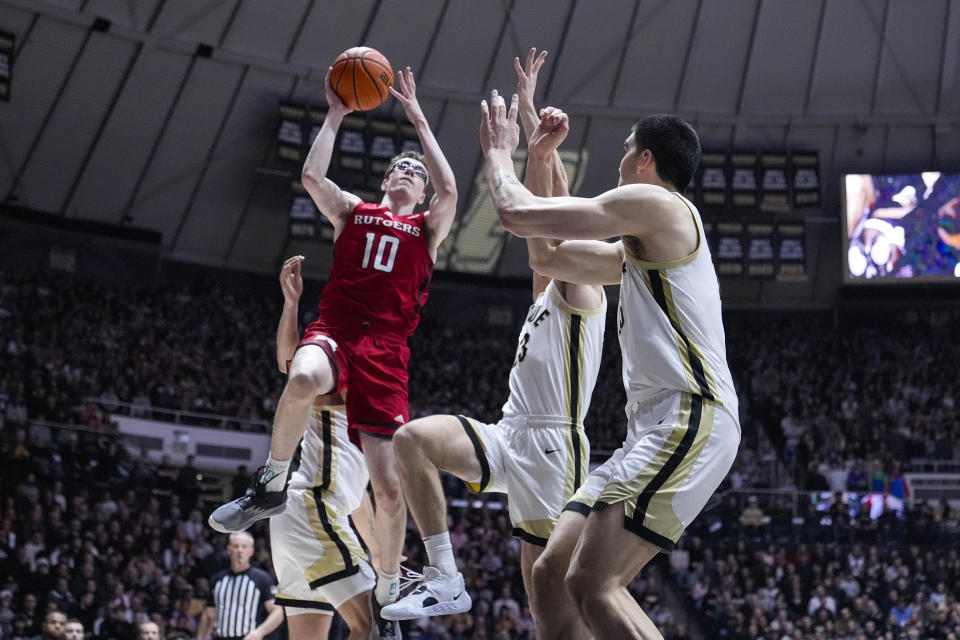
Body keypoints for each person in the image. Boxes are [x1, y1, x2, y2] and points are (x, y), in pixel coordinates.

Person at [479, 91, 740, 639]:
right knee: (552, 572)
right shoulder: (641, 249)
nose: (620, 161)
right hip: (652, 428)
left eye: (626, 149)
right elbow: (547, 256)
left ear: (645, 159)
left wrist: (499, 155)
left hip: (691, 414)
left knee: (595, 582)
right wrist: (543, 156)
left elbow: (515, 214)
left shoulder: (662, 206)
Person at [210, 64, 457, 622]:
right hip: (338, 331)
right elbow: (313, 178)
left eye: (415, 172)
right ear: (384, 182)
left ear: (420, 192)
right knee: (299, 376)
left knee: (390, 494)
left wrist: (418, 118)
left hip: (387, 354)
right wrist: (336, 113)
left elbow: (450, 188)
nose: (409, 172)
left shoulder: (427, 229)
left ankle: (390, 586)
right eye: (401, 167)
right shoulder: (355, 212)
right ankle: (270, 482)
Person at [381, 50, 605, 626]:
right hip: (510, 435)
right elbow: (552, 213)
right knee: (412, 440)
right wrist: (534, 124)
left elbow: (550, 222)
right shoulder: (544, 294)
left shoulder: (584, 294)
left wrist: (521, 152)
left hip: (557, 453)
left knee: (552, 614)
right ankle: (445, 578)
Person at [267, 255, 394, 640]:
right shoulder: (342, 355)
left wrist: (376, 548)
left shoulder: (374, 365)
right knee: (373, 626)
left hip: (303, 515)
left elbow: (357, 492)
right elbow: (294, 368)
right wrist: (291, 307)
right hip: (313, 510)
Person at [197, 532, 283, 640]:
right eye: (236, 546)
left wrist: (259, 632)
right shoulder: (217, 578)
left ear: (251, 551)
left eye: (244, 547)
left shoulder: (262, 578)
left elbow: (277, 612)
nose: (239, 550)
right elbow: (208, 614)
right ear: (229, 549)